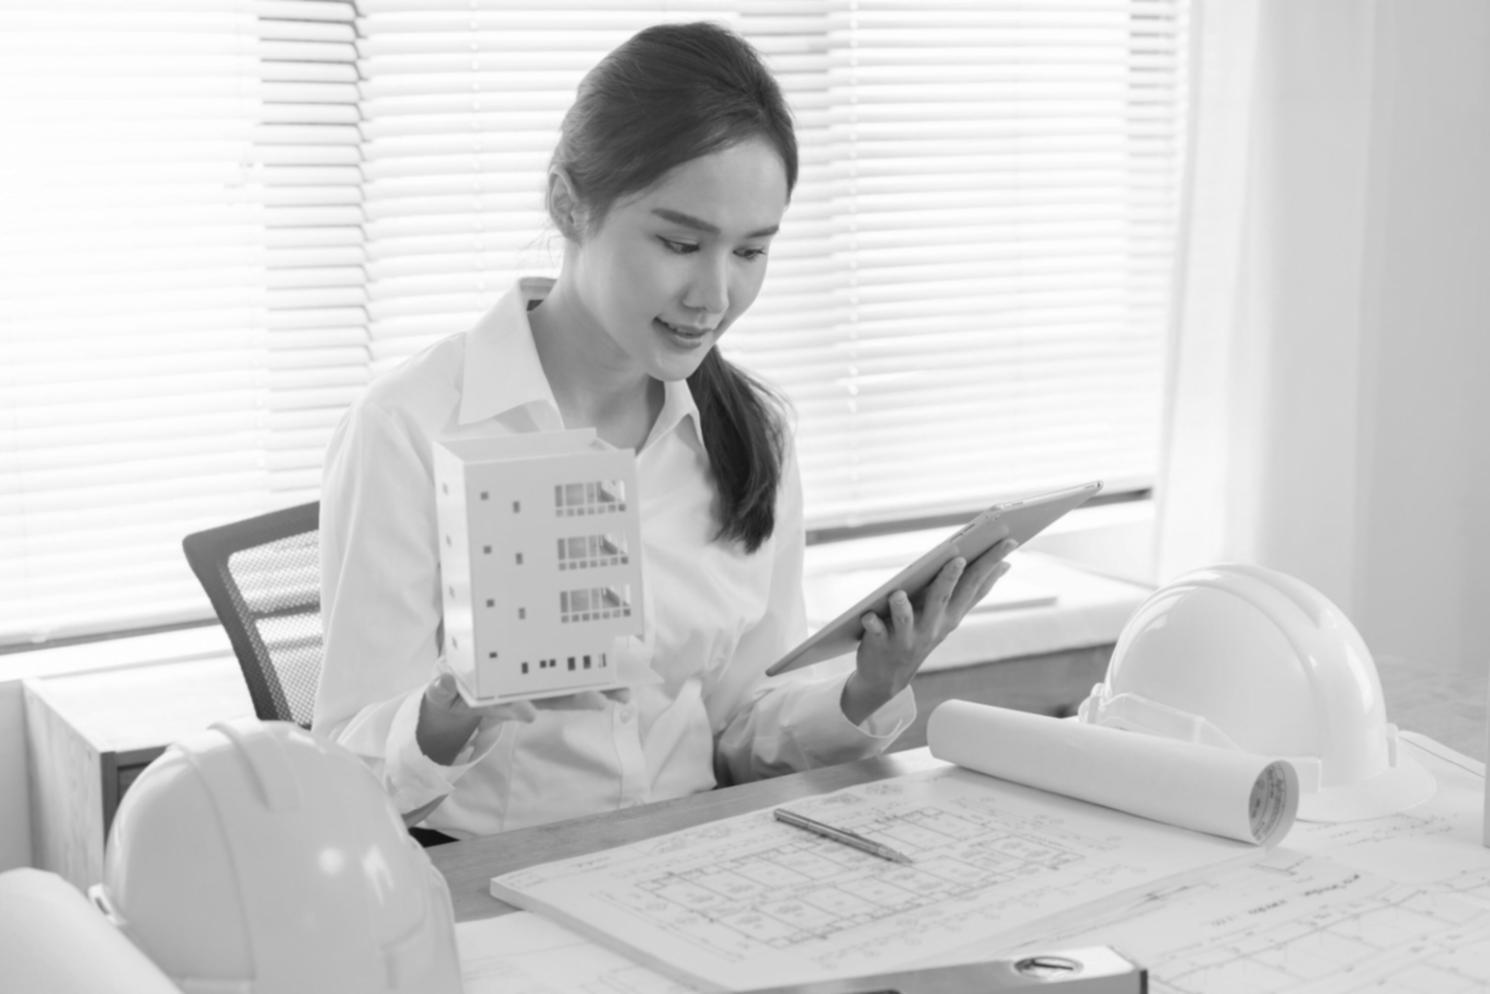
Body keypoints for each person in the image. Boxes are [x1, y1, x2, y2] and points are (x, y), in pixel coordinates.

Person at [314, 21, 1014, 838]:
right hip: (489, 878)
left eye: (751, 251)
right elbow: (343, 776)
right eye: (680, 242)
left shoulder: (749, 433)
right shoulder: (408, 428)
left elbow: (737, 728)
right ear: (569, 203)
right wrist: (457, 702)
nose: (713, 296)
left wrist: (869, 686)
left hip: (696, 859)